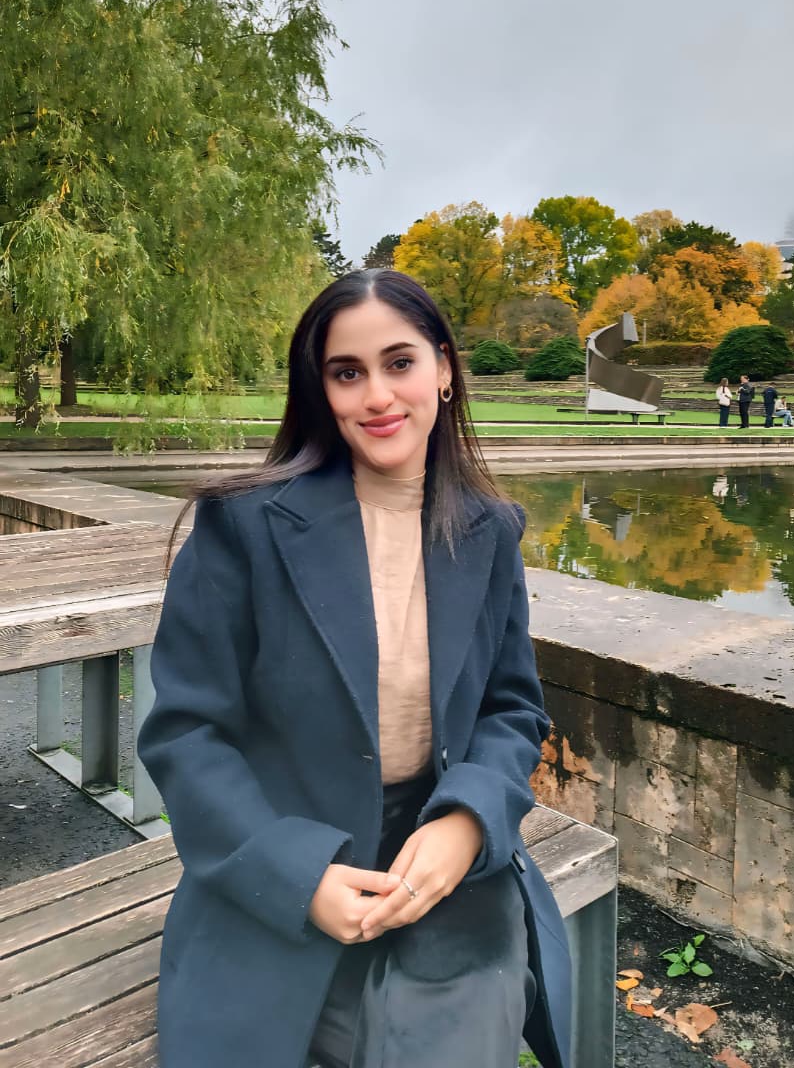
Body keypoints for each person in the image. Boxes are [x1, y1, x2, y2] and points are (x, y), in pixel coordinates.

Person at [138, 269, 571, 1068]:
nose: (377, 396)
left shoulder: (490, 531)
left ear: (444, 370)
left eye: (399, 363)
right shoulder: (242, 526)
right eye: (347, 373)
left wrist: (467, 823)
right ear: (322, 389)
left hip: (434, 858)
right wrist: (297, 875)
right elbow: (187, 735)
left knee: (456, 1035)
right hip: (278, 853)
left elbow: (511, 710)